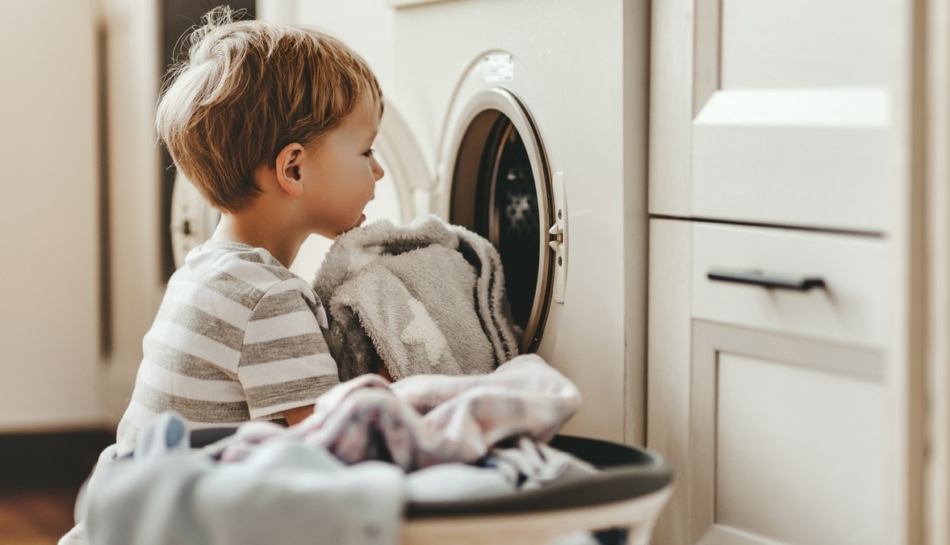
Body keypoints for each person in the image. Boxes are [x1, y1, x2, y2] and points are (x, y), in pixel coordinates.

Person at [115, 7, 385, 455]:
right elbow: (330, 454)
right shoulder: (268, 299)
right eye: (366, 150)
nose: (378, 171)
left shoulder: (203, 272)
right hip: (176, 518)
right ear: (293, 169)